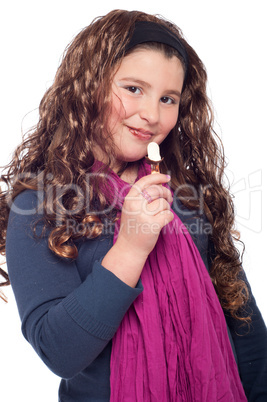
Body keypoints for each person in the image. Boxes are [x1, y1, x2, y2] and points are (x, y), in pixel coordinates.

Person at [0, 9, 266, 401]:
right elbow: (60, 352)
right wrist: (130, 248)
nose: (152, 115)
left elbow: (246, 334)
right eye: (133, 89)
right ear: (87, 86)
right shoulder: (39, 206)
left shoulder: (187, 195)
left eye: (168, 98)